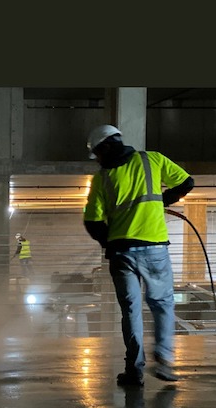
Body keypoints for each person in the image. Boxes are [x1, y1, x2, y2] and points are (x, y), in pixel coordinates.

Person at [83, 125, 194, 387]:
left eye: (97, 154)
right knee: (162, 304)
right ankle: (164, 361)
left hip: (121, 253)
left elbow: (92, 221)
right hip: (154, 248)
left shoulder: (103, 178)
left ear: (107, 147)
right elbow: (187, 182)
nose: (98, 159)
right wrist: (164, 200)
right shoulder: (153, 159)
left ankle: (134, 370)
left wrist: (107, 242)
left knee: (131, 311)